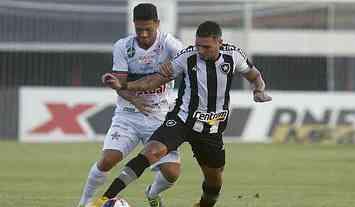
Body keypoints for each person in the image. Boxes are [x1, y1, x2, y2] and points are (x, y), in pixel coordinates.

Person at [99, 21, 272, 207]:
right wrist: (123, 85)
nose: (201, 50)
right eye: (198, 45)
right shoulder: (187, 57)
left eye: (206, 46)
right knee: (151, 151)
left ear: (219, 42)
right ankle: (103, 199)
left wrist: (259, 90)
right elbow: (152, 81)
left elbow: (255, 76)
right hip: (182, 120)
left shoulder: (234, 56)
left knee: (214, 182)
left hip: (211, 129)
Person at [77, 3, 183, 207]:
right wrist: (134, 99)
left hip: (159, 117)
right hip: (128, 115)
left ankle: (152, 193)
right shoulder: (123, 46)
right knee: (109, 159)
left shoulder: (170, 45)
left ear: (157, 24)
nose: (143, 34)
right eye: (139, 29)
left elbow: (189, 63)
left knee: (172, 173)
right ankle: (85, 202)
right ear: (133, 25)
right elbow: (120, 82)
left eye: (148, 29)